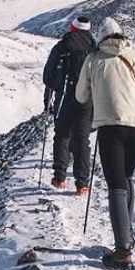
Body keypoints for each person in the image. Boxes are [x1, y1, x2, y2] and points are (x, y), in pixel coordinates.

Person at [75, 16, 135, 270]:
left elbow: (80, 95)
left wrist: (96, 89)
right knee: (126, 177)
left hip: (111, 128)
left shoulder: (93, 59)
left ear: (101, 38)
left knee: (115, 185)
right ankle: (128, 234)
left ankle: (123, 252)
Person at [43, 16, 96, 193]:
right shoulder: (94, 48)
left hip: (65, 97)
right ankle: (82, 184)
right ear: (88, 30)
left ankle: (59, 178)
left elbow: (48, 76)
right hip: (87, 98)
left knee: (62, 135)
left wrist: (48, 100)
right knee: (82, 138)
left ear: (72, 28)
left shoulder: (61, 47)